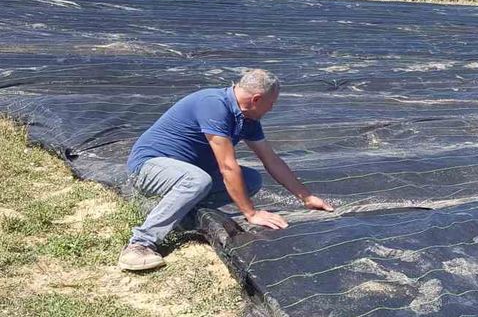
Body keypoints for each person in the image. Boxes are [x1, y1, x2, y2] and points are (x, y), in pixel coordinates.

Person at [118, 69, 334, 271]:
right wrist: (251, 213)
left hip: (187, 173)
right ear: (256, 99)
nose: (272, 109)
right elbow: (227, 165)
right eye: (271, 103)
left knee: (250, 180)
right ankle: (139, 244)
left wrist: (306, 197)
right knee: (198, 180)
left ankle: (181, 215)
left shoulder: (248, 119)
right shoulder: (214, 105)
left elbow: (271, 159)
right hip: (150, 167)